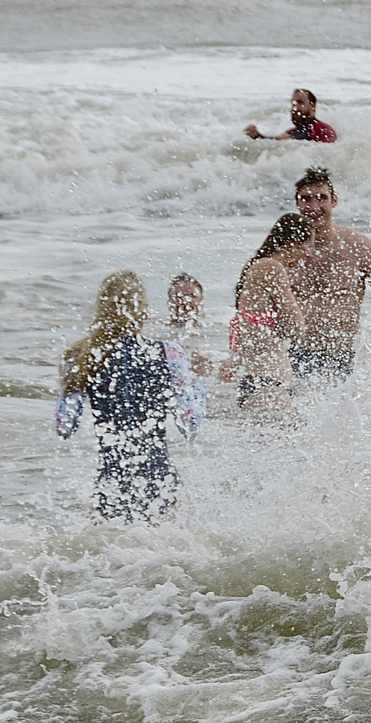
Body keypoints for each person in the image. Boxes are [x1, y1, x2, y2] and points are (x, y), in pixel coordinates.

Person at [56, 270, 205, 522]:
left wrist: (66, 384)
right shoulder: (170, 352)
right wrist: (199, 380)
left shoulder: (82, 356)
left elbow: (65, 427)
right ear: (144, 312)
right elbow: (190, 424)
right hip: (160, 480)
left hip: (110, 482)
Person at [283, 168, 371, 382]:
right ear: (297, 203)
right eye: (306, 199)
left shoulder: (357, 246)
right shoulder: (286, 250)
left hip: (345, 357)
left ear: (334, 201)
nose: (313, 207)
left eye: (322, 198)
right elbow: (256, 304)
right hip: (297, 355)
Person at [226, 214, 310, 410]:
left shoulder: (257, 267)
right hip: (270, 385)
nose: (308, 254)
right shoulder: (272, 267)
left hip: (259, 382)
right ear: (291, 243)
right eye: (306, 246)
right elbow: (297, 328)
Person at [243, 89, 337, 143]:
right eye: (293, 103)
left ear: (313, 106)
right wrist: (257, 136)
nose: (295, 107)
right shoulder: (291, 132)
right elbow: (273, 145)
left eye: (300, 102)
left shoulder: (323, 129)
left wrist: (292, 139)